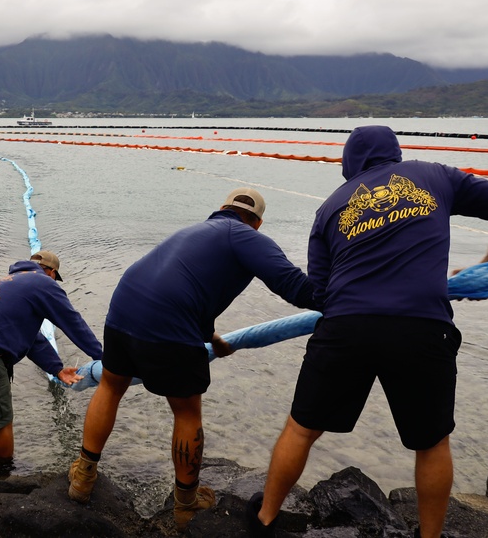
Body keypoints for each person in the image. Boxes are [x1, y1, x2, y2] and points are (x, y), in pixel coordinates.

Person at [248, 125, 488, 538]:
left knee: (302, 427)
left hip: (346, 327)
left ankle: (265, 520)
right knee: (431, 443)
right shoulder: (436, 175)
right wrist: (487, 266)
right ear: (395, 154)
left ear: (349, 165)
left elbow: (322, 293)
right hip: (422, 326)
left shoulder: (329, 208)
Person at [67, 188, 319, 532]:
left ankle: (83, 476)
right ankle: (186, 504)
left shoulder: (192, 232)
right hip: (168, 324)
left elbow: (184, 288)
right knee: (186, 411)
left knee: (111, 386)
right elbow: (294, 286)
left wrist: (212, 337)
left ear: (221, 209)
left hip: (123, 309)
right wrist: (345, 299)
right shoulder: (245, 235)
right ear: (257, 222)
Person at [0, 250, 102, 469]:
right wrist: (103, 357)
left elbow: (32, 339)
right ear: (52, 272)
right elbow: (73, 322)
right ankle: (2, 477)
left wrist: (56, 369)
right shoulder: (44, 283)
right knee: (0, 423)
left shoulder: (9, 282)